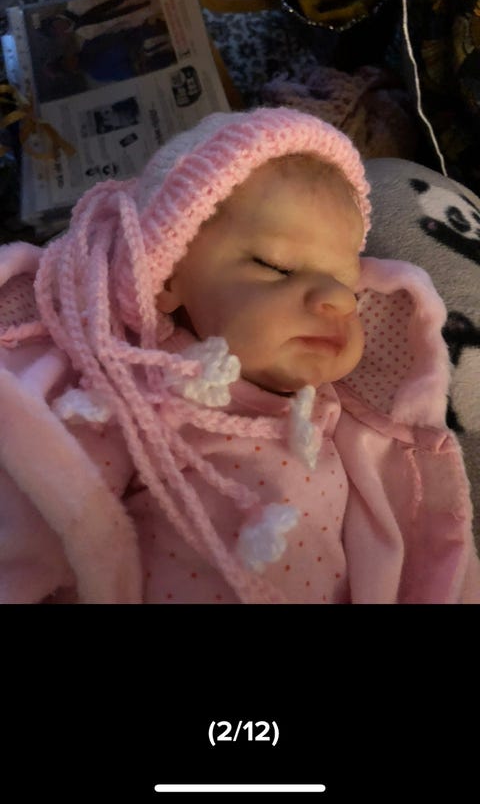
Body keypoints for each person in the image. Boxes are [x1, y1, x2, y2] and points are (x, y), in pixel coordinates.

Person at [0, 106, 479, 604]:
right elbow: (43, 510)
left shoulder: (338, 416)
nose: (336, 300)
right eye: (277, 267)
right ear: (166, 277)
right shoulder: (139, 391)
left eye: (346, 282)